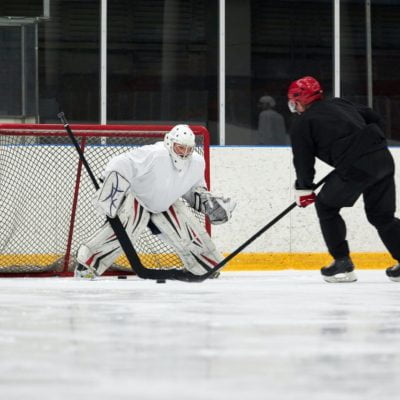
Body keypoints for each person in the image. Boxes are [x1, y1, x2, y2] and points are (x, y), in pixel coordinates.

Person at [75, 124, 236, 281]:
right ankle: (87, 264)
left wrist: (209, 205)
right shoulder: (155, 154)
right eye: (180, 148)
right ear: (169, 142)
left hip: (166, 203)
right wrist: (110, 188)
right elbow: (122, 163)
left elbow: (192, 189)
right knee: (120, 231)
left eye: (189, 149)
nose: (184, 153)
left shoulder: (197, 163)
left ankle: (205, 266)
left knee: (189, 233)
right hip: (138, 198)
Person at [287, 76, 400, 283]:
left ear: (300, 100)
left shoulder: (303, 123)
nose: (294, 107)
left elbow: (303, 162)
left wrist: (304, 189)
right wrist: (363, 145)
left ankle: (341, 262)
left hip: (356, 167)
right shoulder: (339, 103)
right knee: (382, 216)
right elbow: (373, 117)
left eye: (294, 102)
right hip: (382, 158)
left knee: (326, 206)